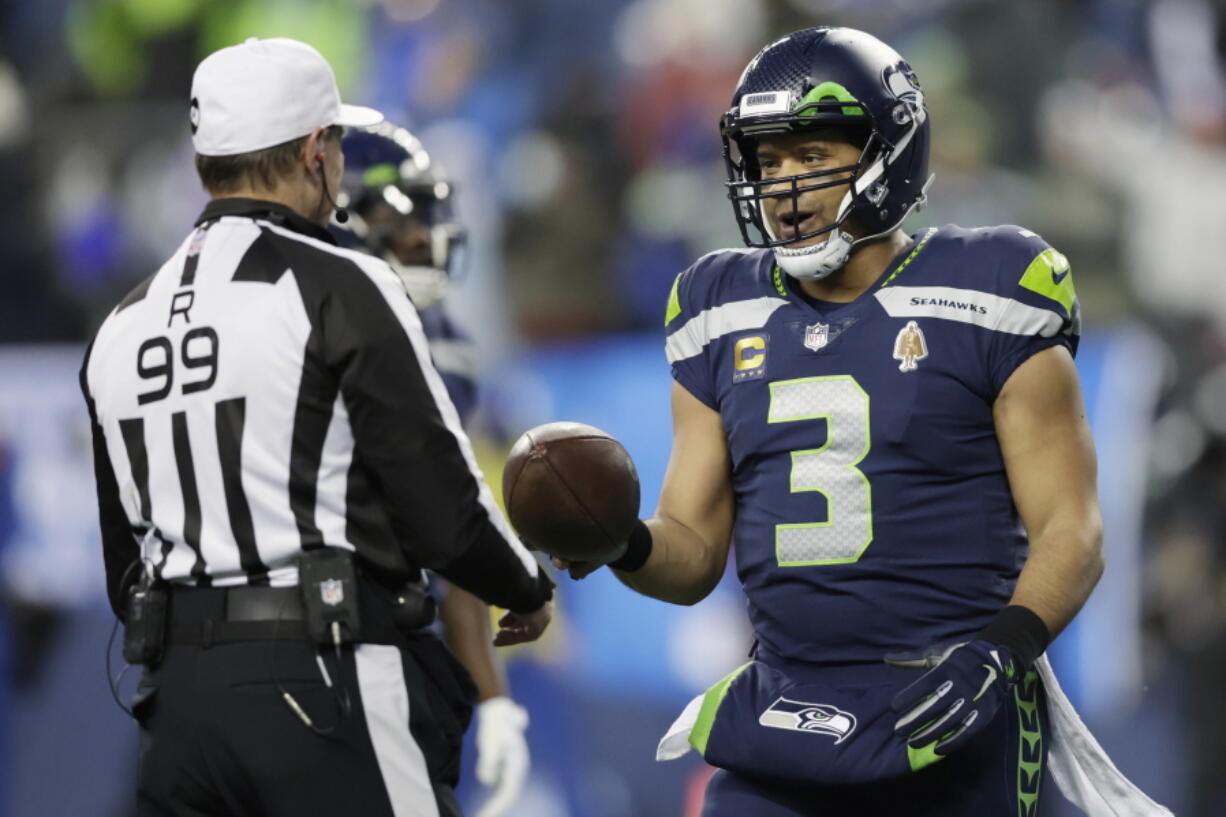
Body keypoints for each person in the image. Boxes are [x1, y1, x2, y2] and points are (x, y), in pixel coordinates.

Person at [555, 27, 1106, 816]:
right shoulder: (718, 306)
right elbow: (693, 550)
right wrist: (622, 542)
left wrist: (1003, 649)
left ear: (891, 147)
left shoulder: (992, 286)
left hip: (949, 697)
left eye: (812, 156)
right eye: (768, 162)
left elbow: (1072, 527)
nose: (783, 187)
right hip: (786, 699)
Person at [79, 37, 552, 817]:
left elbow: (124, 567)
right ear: (314, 151)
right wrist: (523, 582)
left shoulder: (121, 324)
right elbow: (442, 505)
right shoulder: (341, 281)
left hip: (175, 709)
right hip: (324, 679)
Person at [335, 123, 531, 817]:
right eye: (397, 216)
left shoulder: (443, 336)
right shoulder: (297, 323)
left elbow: (447, 528)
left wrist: (495, 697)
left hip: (390, 638)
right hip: (313, 640)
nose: (420, 236)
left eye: (424, 214)